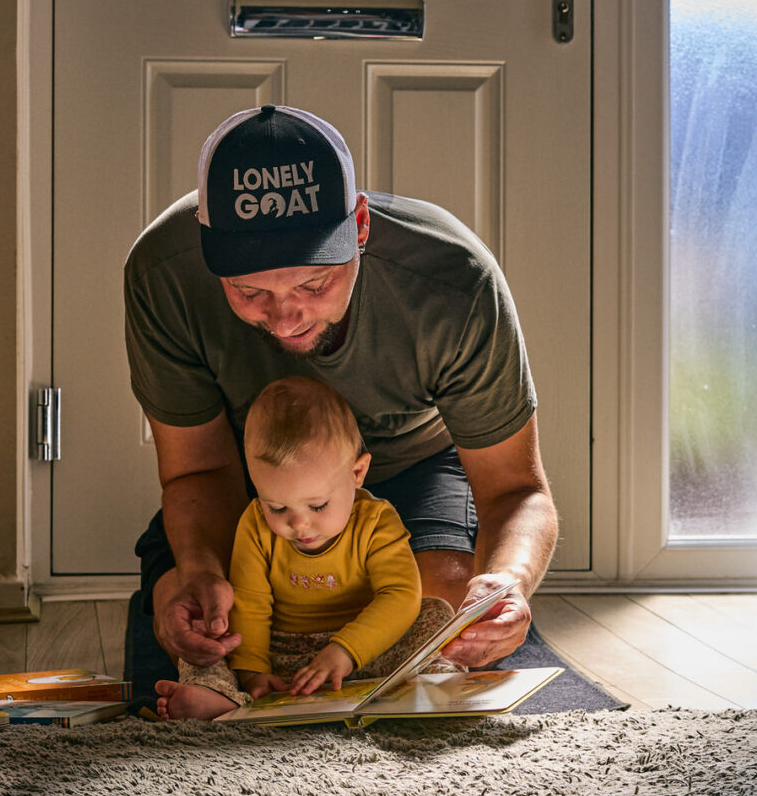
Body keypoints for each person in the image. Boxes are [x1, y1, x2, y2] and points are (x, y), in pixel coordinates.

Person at [126, 104, 557, 701]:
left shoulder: (453, 280)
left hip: (413, 465)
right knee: (188, 622)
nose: (284, 319)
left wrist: (506, 583)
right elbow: (197, 468)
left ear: (359, 225)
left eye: (313, 284)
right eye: (249, 291)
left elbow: (516, 489)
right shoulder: (161, 275)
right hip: (257, 480)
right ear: (206, 248)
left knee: (447, 613)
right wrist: (198, 571)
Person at [156, 376, 456, 721]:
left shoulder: (376, 522)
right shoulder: (253, 525)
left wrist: (345, 650)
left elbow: (399, 596)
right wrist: (253, 670)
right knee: (206, 637)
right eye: (278, 508)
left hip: (364, 652)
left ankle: (436, 682)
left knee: (435, 614)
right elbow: (250, 602)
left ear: (357, 472)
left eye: (317, 506)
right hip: (279, 653)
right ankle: (218, 696)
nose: (299, 525)